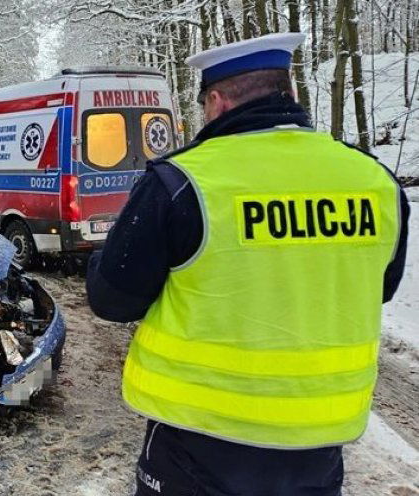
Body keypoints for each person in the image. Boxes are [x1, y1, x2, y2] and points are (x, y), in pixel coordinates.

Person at [86, 32, 411, 496]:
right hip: (319, 444)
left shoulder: (184, 180)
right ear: (292, 94)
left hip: (199, 439)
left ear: (216, 101)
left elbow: (112, 299)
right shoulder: (375, 180)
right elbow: (378, 286)